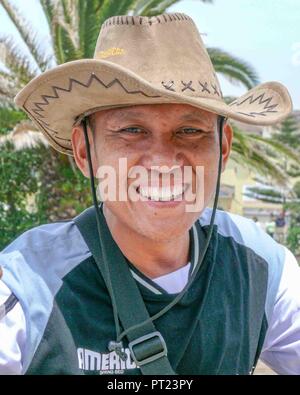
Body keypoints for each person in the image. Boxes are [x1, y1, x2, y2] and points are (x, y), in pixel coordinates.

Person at [0, 13, 299, 375]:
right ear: (84, 152)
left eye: (190, 130)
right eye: (131, 129)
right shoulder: (27, 286)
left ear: (223, 147)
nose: (162, 162)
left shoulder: (261, 267)